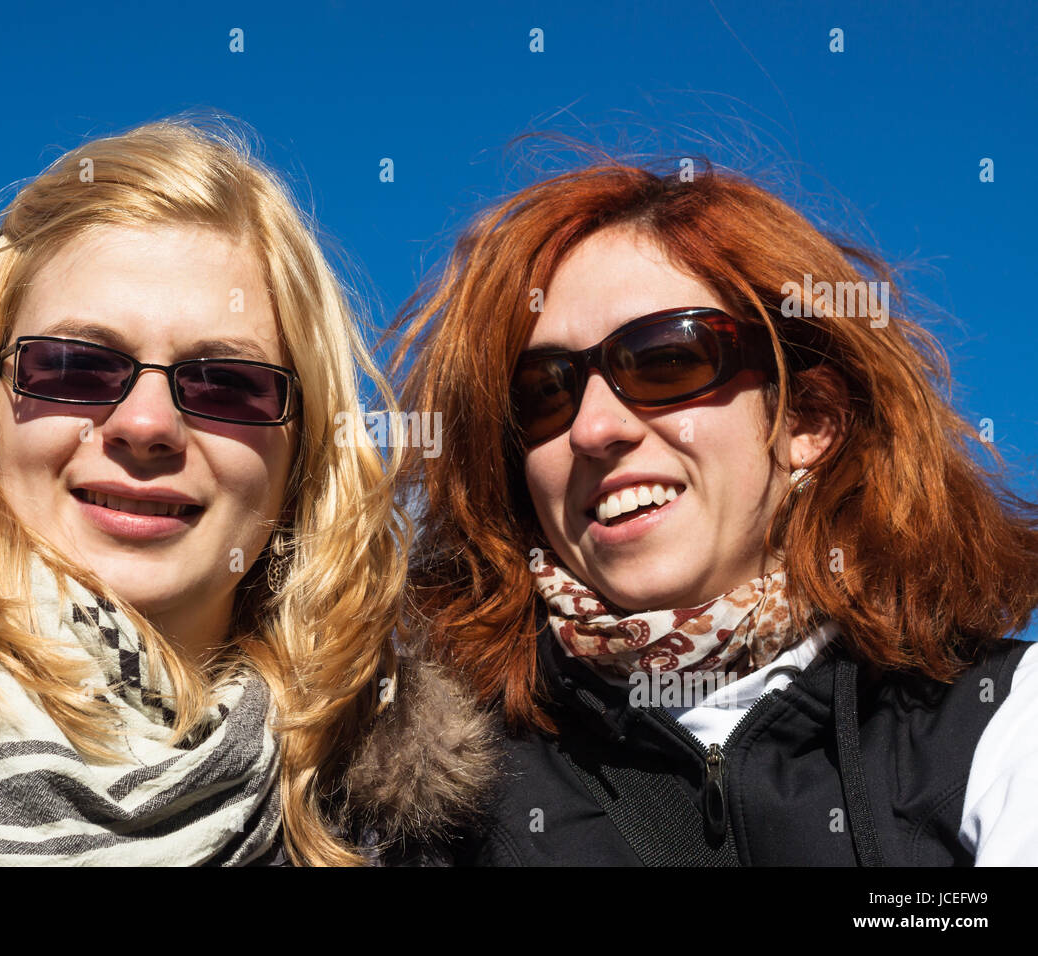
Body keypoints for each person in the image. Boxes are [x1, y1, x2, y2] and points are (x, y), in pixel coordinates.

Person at [0, 119, 495, 867]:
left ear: (303, 451)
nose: (146, 423)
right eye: (76, 366)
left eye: (227, 383)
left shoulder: (411, 835)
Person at [390, 157, 1038, 865]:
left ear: (808, 418)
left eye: (667, 358)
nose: (594, 427)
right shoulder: (426, 800)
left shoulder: (1000, 728)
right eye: (544, 390)